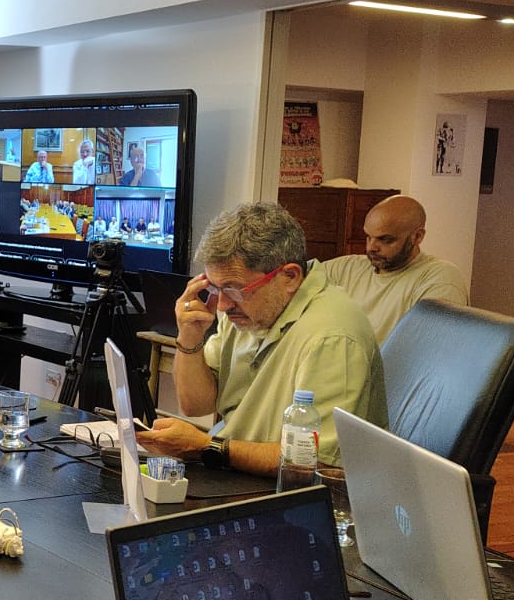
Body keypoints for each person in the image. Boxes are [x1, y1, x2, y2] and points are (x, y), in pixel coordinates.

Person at [141, 201, 386, 474]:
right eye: (215, 288)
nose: (222, 305)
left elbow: (315, 462)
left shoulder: (332, 337)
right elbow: (195, 404)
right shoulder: (247, 311)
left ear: (290, 276)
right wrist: (189, 337)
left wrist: (206, 447)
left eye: (235, 290)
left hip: (292, 488)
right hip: (237, 468)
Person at [320, 194, 469, 341]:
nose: (371, 247)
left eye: (385, 240)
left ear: (417, 237)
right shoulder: (346, 268)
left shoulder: (440, 278)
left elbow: (427, 347)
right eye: (369, 237)